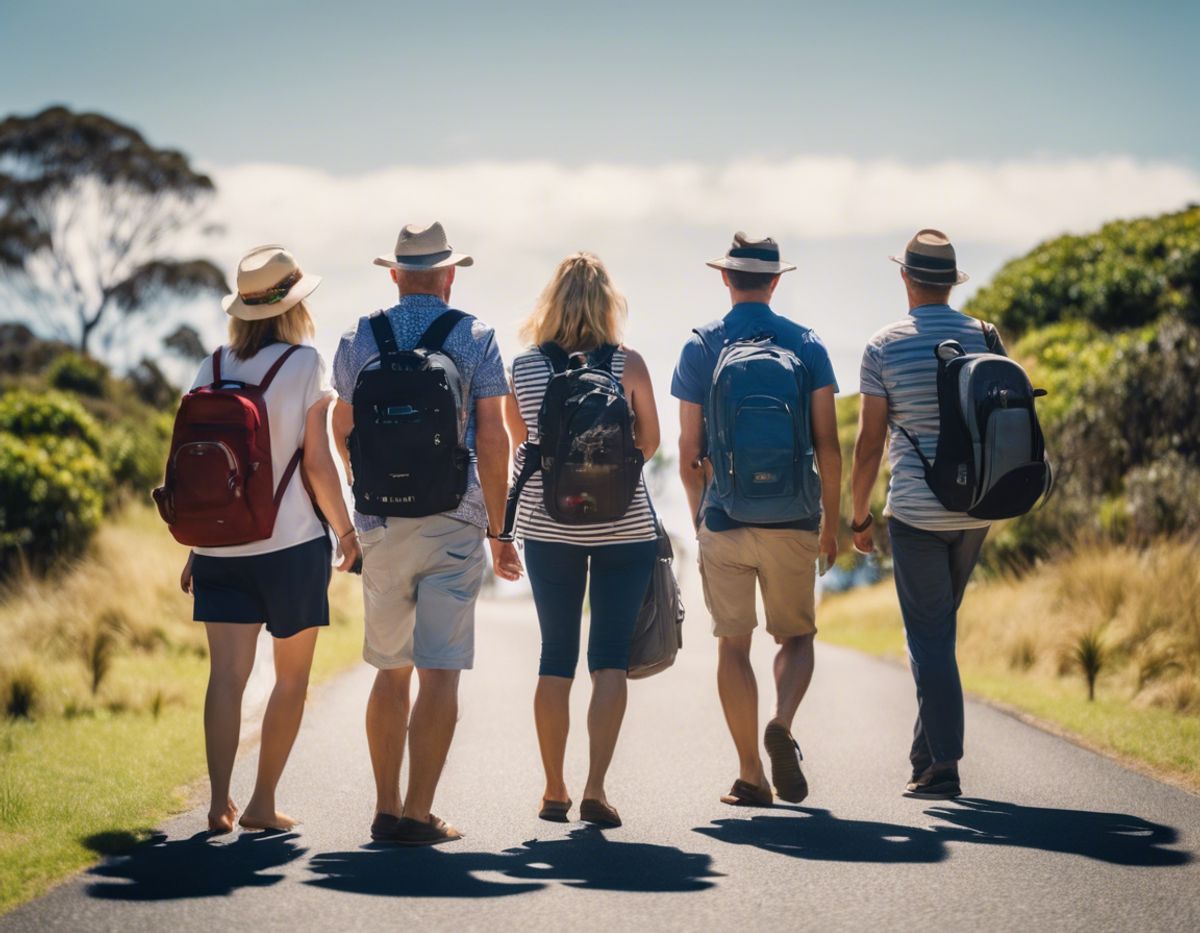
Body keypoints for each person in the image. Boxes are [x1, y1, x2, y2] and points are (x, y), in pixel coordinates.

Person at [331, 222, 511, 846]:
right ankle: (418, 813)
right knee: (440, 672)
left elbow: (343, 425)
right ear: (449, 274)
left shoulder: (358, 337)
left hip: (381, 521)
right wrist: (500, 528)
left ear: (394, 275)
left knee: (390, 669)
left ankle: (384, 809)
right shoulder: (475, 336)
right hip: (453, 520)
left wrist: (365, 494)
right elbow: (493, 438)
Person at [180, 245, 360, 834]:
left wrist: (196, 546)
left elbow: (199, 470)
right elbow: (318, 465)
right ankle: (261, 804)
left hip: (218, 547)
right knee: (290, 678)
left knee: (225, 678)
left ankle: (217, 805)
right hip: (289, 546)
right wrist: (346, 530)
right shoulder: (305, 365)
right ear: (294, 306)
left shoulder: (210, 366)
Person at [673, 233, 841, 808]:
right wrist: (832, 523)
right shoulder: (807, 345)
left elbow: (687, 450)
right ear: (775, 281)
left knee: (733, 647)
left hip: (726, 515)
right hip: (794, 517)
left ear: (726, 278)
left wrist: (700, 519)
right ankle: (784, 722)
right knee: (796, 637)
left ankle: (750, 773)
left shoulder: (702, 346)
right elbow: (830, 445)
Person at [496, 252, 660, 829]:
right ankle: (595, 789)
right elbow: (652, 442)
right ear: (607, 304)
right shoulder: (628, 363)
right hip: (626, 526)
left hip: (548, 525)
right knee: (609, 659)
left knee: (555, 656)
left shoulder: (525, 369)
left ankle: (553, 789)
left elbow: (525, 448)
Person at [849, 228, 1006, 800]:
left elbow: (868, 444)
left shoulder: (884, 345)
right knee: (937, 632)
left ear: (906, 279)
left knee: (930, 638)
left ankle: (943, 764)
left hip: (917, 512)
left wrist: (858, 517)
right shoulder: (985, 335)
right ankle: (924, 754)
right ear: (951, 282)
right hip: (978, 510)